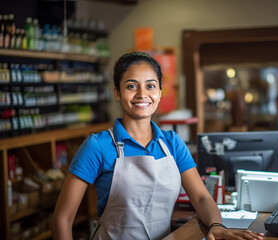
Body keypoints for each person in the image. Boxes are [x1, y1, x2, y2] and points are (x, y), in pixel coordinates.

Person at [52, 52, 264, 240]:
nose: (142, 94)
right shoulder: (97, 146)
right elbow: (63, 218)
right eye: (131, 86)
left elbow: (200, 197)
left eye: (150, 86)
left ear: (160, 92)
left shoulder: (172, 143)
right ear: (117, 93)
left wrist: (216, 225)